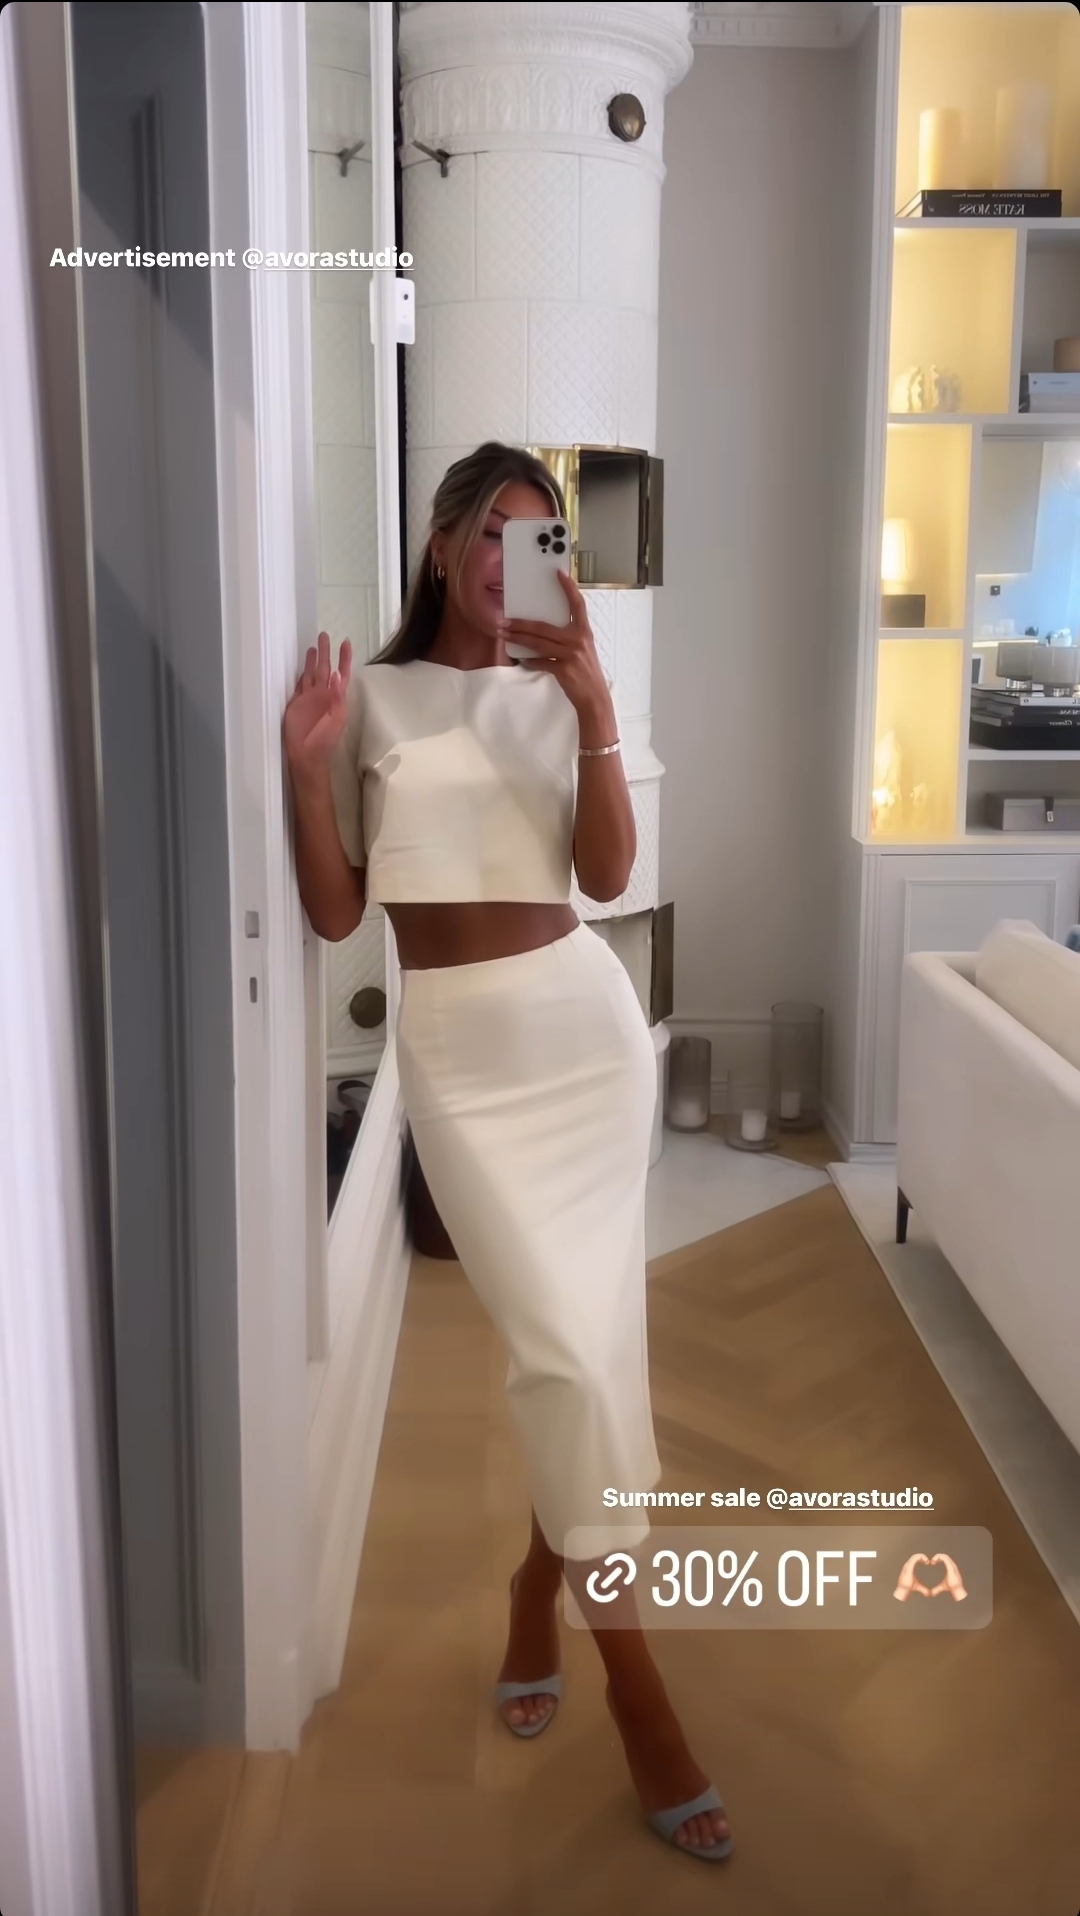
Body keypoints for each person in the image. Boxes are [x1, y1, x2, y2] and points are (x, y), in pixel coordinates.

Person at [282, 442, 732, 1862]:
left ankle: (547, 1597)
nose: (507, 563)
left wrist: (595, 709)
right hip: (465, 1066)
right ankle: (637, 1692)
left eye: (539, 540)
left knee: (578, 1355)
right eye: (489, 532)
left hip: (585, 1041)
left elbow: (605, 879)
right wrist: (303, 767)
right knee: (566, 1355)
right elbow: (337, 910)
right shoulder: (372, 700)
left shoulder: (559, 692)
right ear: (439, 543)